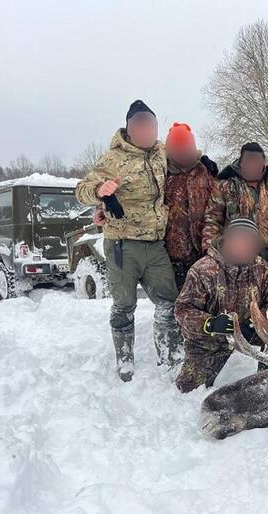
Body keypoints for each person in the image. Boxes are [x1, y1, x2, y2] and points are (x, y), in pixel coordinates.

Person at [75, 99, 183, 381]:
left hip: (155, 243)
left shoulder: (160, 152)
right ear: (130, 128)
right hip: (123, 245)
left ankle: (169, 355)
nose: (147, 130)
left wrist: (204, 161)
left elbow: (185, 156)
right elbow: (81, 190)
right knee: (124, 305)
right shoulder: (113, 159)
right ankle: (124, 358)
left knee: (168, 300)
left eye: (151, 125)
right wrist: (100, 190)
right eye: (141, 125)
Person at [175, 219, 268, 392]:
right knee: (188, 389)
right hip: (211, 340)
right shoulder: (202, 270)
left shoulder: (262, 268)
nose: (243, 247)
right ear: (227, 241)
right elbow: (182, 310)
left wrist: (256, 321)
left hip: (248, 332)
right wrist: (210, 323)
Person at [202, 142, 268, 281]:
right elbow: (212, 221)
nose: (253, 165)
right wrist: (210, 251)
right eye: (249, 160)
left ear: (263, 164)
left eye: (257, 161)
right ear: (241, 162)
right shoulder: (226, 186)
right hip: (235, 258)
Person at [163, 122, 218, 289]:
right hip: (172, 254)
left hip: (203, 250)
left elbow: (219, 206)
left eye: (186, 148)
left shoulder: (205, 171)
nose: (182, 153)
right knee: (175, 303)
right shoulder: (160, 172)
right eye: (177, 149)